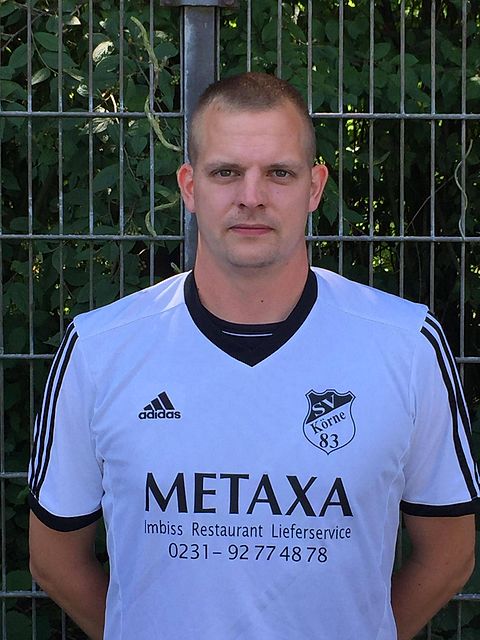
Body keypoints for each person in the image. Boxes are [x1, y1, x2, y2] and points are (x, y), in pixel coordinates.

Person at [29, 72, 479, 640]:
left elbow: (449, 554)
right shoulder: (100, 349)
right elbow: (54, 559)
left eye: (279, 173)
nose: (251, 196)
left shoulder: (406, 344)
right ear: (190, 186)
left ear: (314, 187)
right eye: (226, 172)